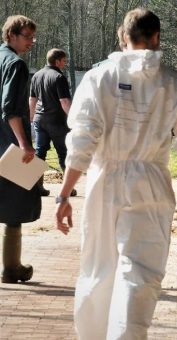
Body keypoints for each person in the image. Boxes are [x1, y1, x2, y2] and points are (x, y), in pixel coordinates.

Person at [55, 8, 177, 339]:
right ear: (156, 38)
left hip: (103, 180)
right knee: (140, 271)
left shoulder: (98, 79)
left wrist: (64, 194)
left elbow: (82, 139)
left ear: (124, 38)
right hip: (150, 182)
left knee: (98, 266)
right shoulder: (173, 84)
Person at [0, 15, 39, 284]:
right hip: (9, 144)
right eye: (27, 37)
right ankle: (12, 269)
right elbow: (10, 108)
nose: (31, 42)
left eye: (32, 38)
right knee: (15, 208)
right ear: (11, 34)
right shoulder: (16, 64)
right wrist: (24, 144)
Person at [30, 48, 76, 197]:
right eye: (64, 60)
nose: (65, 63)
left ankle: (38, 187)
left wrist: (30, 118)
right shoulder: (58, 77)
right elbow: (64, 101)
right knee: (63, 152)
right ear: (57, 61)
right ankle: (68, 188)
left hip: (39, 120)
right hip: (56, 120)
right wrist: (74, 120)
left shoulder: (36, 75)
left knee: (40, 152)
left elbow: (32, 100)